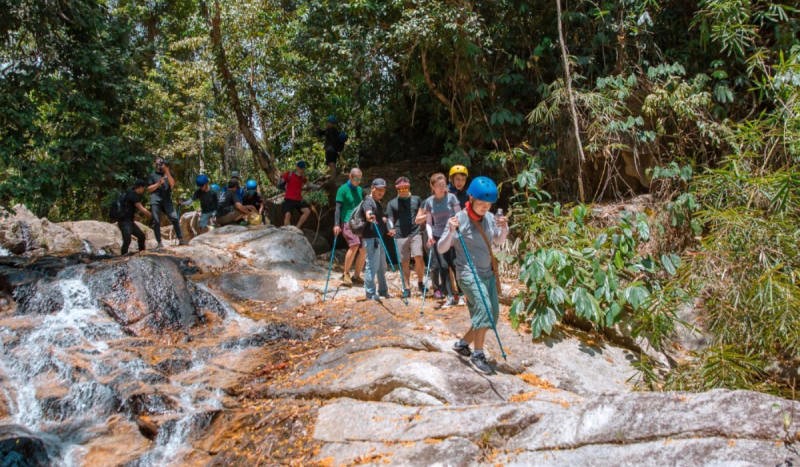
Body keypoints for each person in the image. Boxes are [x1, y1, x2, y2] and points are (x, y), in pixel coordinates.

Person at [437, 176, 509, 375]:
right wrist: (451, 231)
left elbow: (498, 241)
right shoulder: (458, 219)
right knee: (484, 311)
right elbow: (441, 248)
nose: (485, 207)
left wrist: (503, 228)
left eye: (489, 204)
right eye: (482, 203)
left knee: (492, 316)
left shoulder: (488, 218)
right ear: (471, 198)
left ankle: (462, 344)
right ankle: (478, 354)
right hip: (468, 273)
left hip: (487, 273)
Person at [424, 172, 461, 307]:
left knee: (456, 265)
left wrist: (456, 228)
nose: (442, 188)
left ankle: (461, 295)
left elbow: (459, 215)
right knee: (443, 267)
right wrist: (429, 236)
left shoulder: (452, 198)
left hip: (452, 235)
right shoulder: (429, 202)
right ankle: (450, 296)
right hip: (438, 237)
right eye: (439, 186)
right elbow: (428, 222)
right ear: (432, 186)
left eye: (444, 185)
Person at [386, 176, 426, 297]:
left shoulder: (417, 199)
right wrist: (390, 228)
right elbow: (390, 219)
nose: (403, 190)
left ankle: (420, 282)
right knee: (404, 262)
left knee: (418, 256)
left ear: (409, 187)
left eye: (405, 187)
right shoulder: (392, 203)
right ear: (397, 189)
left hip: (415, 232)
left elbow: (422, 213)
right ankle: (407, 287)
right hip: (400, 234)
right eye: (400, 188)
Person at [333, 168, 366, 286]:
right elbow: (337, 208)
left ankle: (356, 276)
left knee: (364, 249)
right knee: (355, 245)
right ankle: (345, 273)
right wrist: (337, 224)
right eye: (356, 178)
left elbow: (362, 206)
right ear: (350, 177)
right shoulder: (342, 189)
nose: (358, 181)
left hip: (359, 223)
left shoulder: (360, 190)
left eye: (359, 179)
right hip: (347, 222)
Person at [146, 156, 186, 248]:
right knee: (156, 221)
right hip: (155, 199)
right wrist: (158, 184)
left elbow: (172, 185)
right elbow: (148, 189)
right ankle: (159, 242)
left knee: (174, 218)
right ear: (155, 164)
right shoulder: (152, 175)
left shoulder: (168, 173)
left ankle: (181, 239)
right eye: (158, 163)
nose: (159, 165)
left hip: (167, 200)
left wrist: (167, 171)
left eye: (161, 163)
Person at [360, 178, 390, 301]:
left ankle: (383, 291)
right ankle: (370, 293)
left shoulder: (377, 202)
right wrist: (369, 216)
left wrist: (383, 219)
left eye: (383, 190)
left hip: (379, 238)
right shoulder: (368, 201)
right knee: (372, 265)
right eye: (378, 189)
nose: (381, 192)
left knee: (382, 266)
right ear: (373, 188)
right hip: (371, 238)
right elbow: (368, 213)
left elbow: (379, 216)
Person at [117, 179, 152, 255]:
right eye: (143, 188)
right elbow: (141, 208)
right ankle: (123, 257)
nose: (143, 190)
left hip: (129, 222)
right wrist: (152, 216)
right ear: (140, 187)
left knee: (141, 236)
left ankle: (142, 253)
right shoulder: (133, 195)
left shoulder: (129, 192)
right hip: (124, 222)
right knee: (127, 240)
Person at [280, 160, 312, 229]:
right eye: (300, 168)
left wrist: (317, 186)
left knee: (307, 211)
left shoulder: (303, 178)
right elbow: (281, 182)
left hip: (298, 199)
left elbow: (309, 185)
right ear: (297, 167)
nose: (301, 170)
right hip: (289, 199)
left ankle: (297, 228)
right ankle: (287, 231)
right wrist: (282, 181)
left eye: (303, 168)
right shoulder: (289, 174)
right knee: (287, 215)